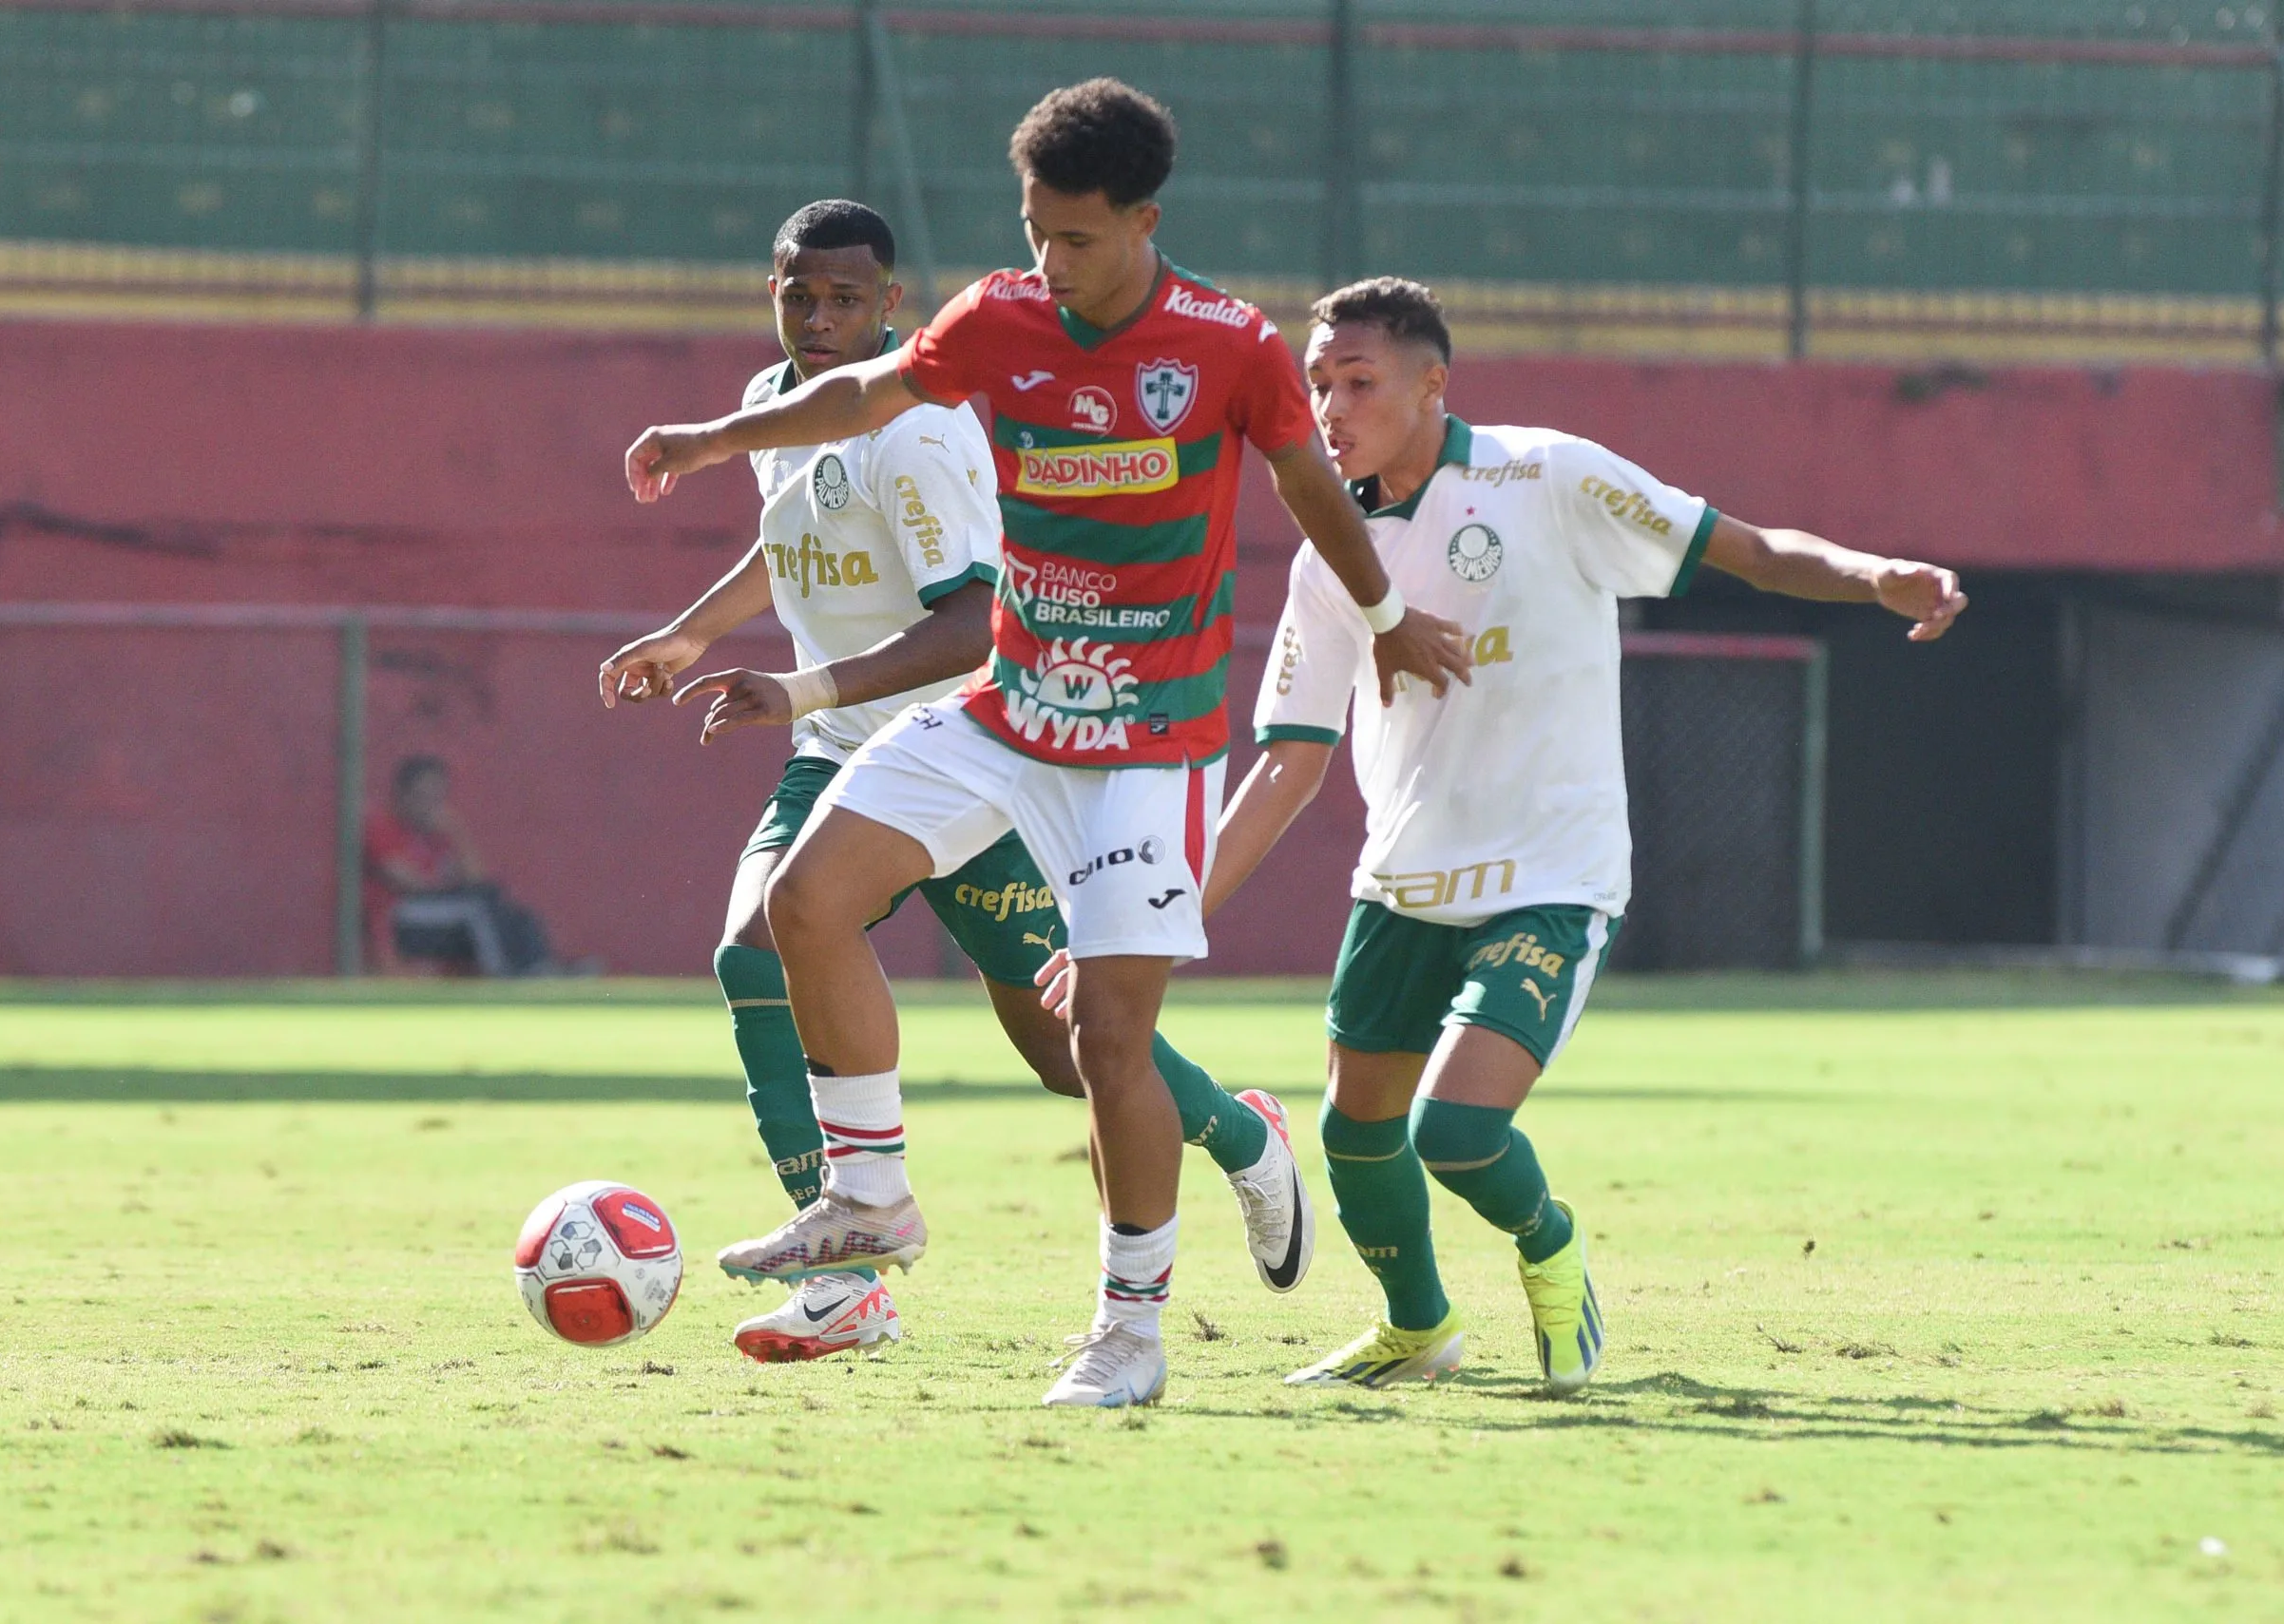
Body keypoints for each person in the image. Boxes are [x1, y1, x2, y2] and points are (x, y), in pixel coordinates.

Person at [623, 82, 1472, 1408]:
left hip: (1149, 741)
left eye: (1075, 239)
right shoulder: (1000, 317)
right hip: (1008, 711)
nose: (1047, 262)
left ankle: (1130, 1334)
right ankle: (871, 1199)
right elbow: (864, 393)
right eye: (1033, 232)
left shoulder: (1229, 346)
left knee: (1104, 1044)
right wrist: (709, 437)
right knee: (802, 904)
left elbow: (1311, 488)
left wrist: (1383, 616)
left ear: (1142, 220)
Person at [1198, 275, 1967, 1391]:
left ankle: (1551, 1248)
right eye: (1318, 384)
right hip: (1401, 883)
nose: (1331, 408)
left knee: (1453, 1128)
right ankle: (1420, 1328)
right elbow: (1288, 759)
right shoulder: (1332, 553)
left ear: (1431, 383)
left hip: (1550, 874)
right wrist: (1173, 917)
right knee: (1352, 1136)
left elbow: (1743, 550)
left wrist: (1871, 575)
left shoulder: (1546, 474)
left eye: (1357, 382)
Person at [598, 199, 1314, 1366]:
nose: (819, 317)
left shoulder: (916, 428)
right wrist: (687, 633)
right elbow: (794, 540)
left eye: (845, 299)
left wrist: (802, 687)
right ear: (771, 290)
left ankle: (1243, 1135)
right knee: (757, 947)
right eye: (799, 295)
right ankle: (848, 1277)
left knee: (1062, 1044)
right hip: (845, 753)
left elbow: (975, 625)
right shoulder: (781, 410)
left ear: (892, 306)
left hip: (964, 751)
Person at [364, 755, 559, 977]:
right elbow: (409, 883)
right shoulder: (381, 825)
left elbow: (478, 880)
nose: (429, 807)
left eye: (436, 799)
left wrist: (458, 834)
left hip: (442, 916)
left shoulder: (439, 834)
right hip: (400, 917)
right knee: (476, 907)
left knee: (516, 915)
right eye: (422, 797)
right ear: (401, 795)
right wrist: (453, 889)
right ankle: (503, 976)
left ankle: (542, 972)